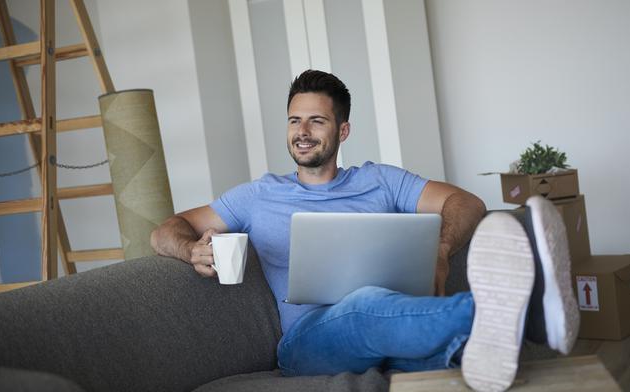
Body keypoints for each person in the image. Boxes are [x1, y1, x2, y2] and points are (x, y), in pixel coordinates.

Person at [151, 70, 579, 392]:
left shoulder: (381, 181)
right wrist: (190, 250)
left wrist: (442, 250)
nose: (301, 133)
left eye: (316, 121)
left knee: (425, 350)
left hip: (394, 328)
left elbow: (467, 202)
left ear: (343, 130)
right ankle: (534, 313)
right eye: (294, 120)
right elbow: (165, 230)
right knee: (365, 304)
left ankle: (479, 352)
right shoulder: (258, 195)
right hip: (307, 344)